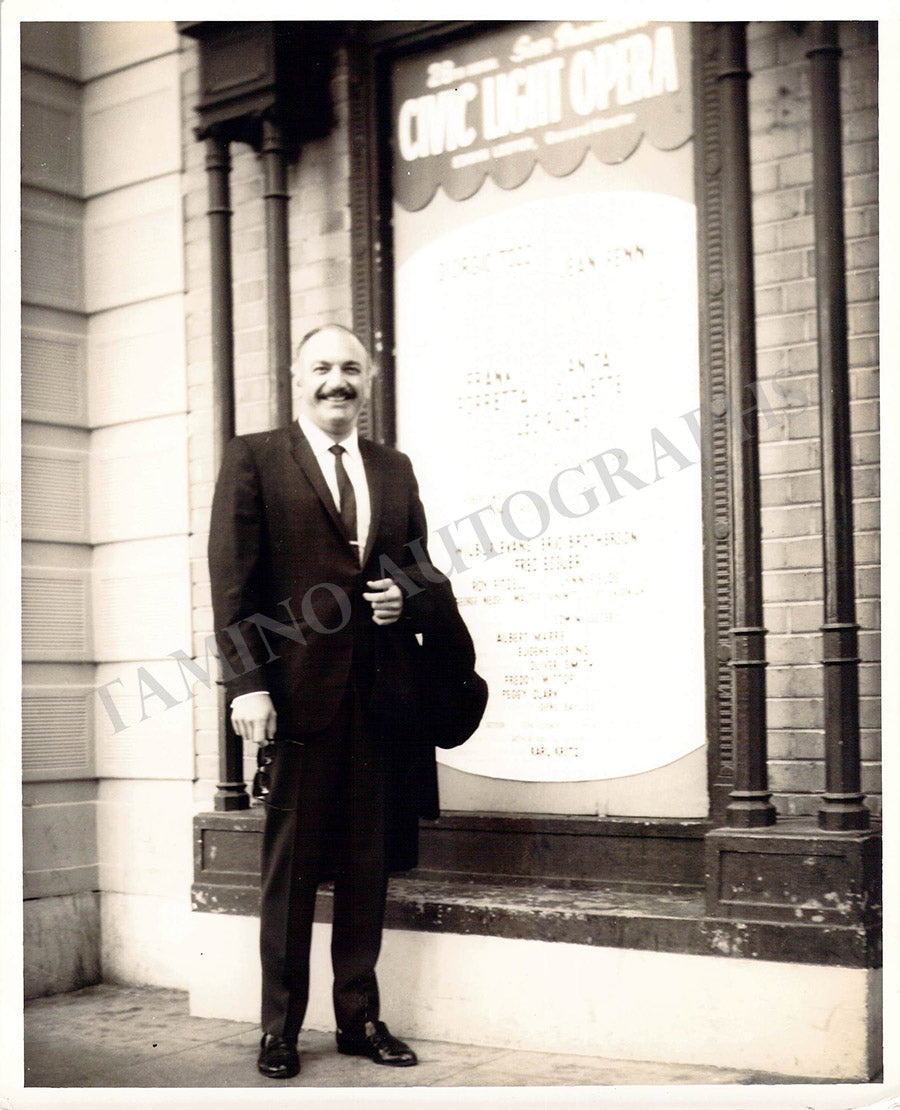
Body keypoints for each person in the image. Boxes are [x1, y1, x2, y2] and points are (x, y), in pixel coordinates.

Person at [208, 324, 444, 1079]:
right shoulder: (254, 457)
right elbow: (233, 586)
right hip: (295, 697)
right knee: (292, 870)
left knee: (367, 864)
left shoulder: (394, 469)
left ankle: (359, 1019)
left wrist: (403, 601)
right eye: (321, 368)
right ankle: (279, 1029)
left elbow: (420, 571)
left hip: (379, 699)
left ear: (368, 380)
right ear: (296, 377)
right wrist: (248, 686)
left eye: (350, 368)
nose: (336, 381)